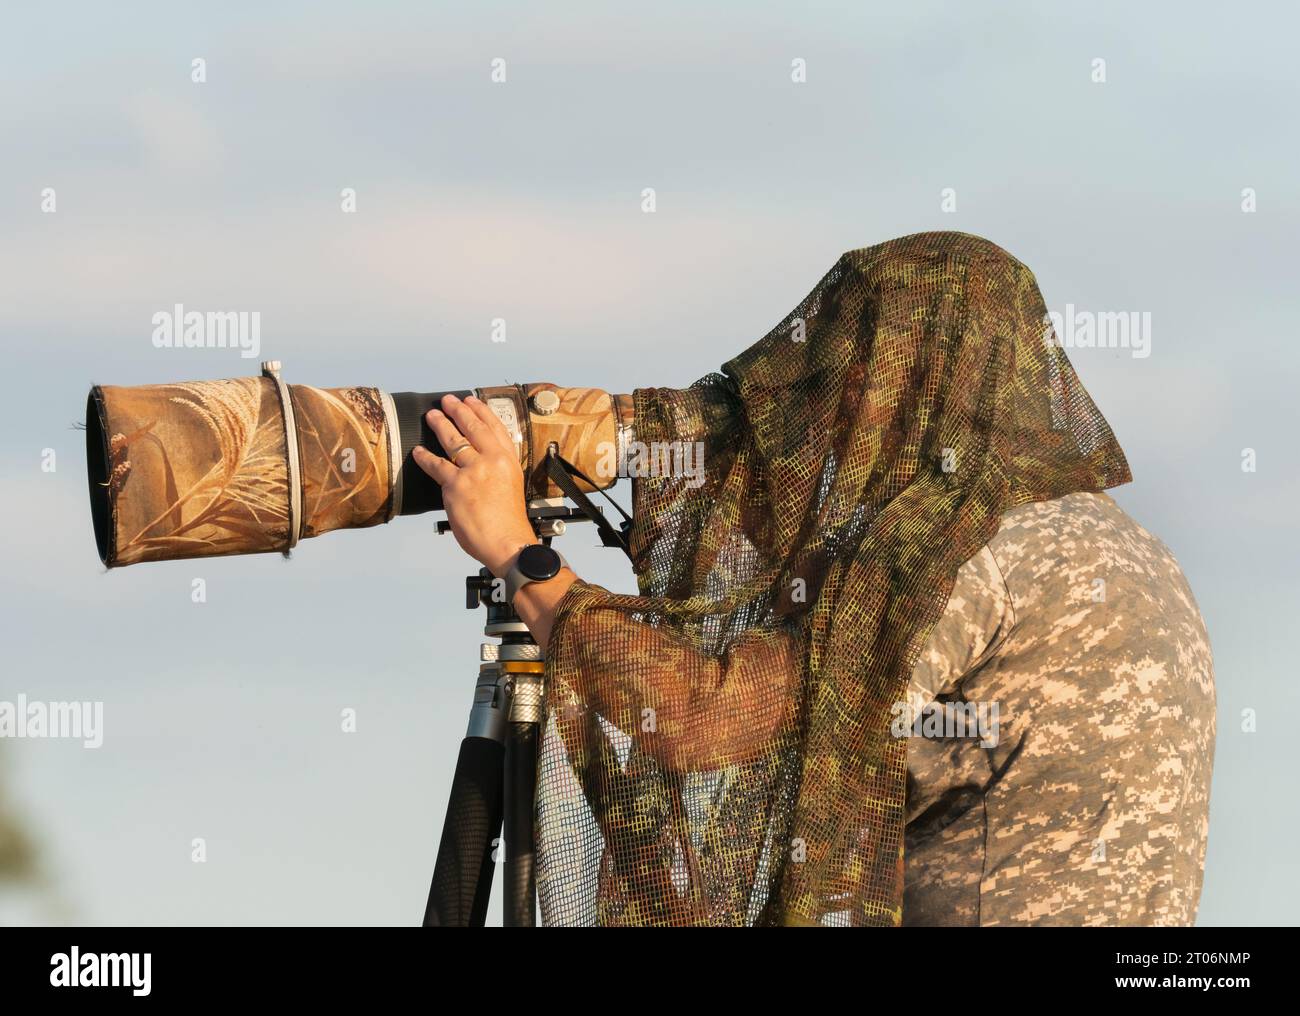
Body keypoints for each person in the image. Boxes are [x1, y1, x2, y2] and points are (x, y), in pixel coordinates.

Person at [413, 232, 1216, 926]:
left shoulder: (962, 545)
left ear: (914, 385)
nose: (837, 423)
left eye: (854, 384)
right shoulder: (1114, 541)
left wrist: (520, 556)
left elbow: (710, 720)